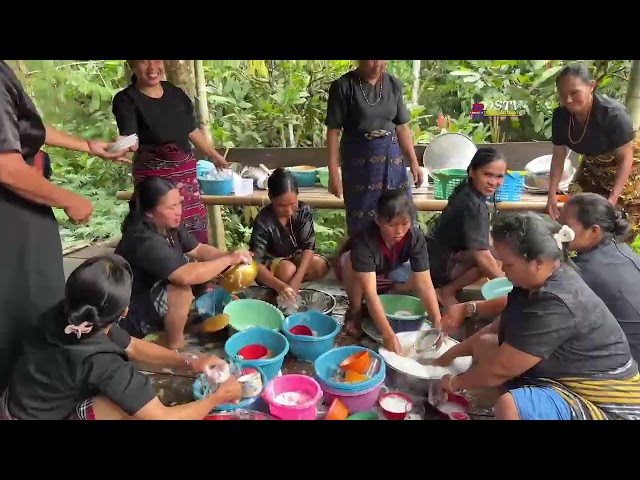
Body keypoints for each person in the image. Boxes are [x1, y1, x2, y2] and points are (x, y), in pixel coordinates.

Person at [435, 212, 640, 420]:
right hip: (563, 375)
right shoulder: (529, 285)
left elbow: (501, 369)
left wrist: (454, 383)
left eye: (508, 263)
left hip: (605, 404)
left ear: (538, 262)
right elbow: (494, 329)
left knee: (510, 406)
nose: (503, 270)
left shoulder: (556, 302)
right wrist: (447, 357)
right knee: (486, 345)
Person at [0, 61, 127, 392]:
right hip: (12, 212)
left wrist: (87, 146)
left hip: (23, 207)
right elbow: (7, 167)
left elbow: (20, 130)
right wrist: (66, 198)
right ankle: (28, 394)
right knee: (28, 305)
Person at [0, 254, 242, 420]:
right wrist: (218, 397)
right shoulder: (105, 362)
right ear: (124, 312)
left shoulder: (69, 314)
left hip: (15, 405)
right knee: (122, 406)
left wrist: (189, 361)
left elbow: (133, 347)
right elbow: (163, 417)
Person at [114, 176, 252, 349]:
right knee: (182, 289)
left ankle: (183, 325)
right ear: (149, 212)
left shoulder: (167, 225)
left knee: (204, 269)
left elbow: (199, 249)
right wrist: (228, 259)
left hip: (151, 295)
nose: (179, 211)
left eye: (179, 204)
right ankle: (175, 344)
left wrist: (231, 258)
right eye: (171, 207)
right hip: (130, 314)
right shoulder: (143, 239)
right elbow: (185, 276)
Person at [112, 60, 231, 245]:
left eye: (157, 60)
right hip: (154, 183)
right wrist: (121, 145)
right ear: (132, 65)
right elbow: (131, 139)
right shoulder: (126, 100)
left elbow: (191, 130)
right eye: (144, 61)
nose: (152, 68)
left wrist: (214, 155)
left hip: (186, 179)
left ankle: (197, 270)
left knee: (194, 234)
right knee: (159, 232)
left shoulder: (176, 94)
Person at [324, 60, 423, 236]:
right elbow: (333, 132)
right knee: (363, 219)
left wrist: (414, 162)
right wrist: (333, 172)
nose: (378, 64)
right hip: (360, 164)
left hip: (392, 161)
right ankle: (364, 261)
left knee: (399, 211)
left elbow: (401, 126)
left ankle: (400, 259)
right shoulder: (343, 86)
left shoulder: (393, 84)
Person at [336, 189, 441, 353]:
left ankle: (391, 290)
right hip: (358, 272)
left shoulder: (414, 236)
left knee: (421, 275)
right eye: (392, 225)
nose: (399, 231)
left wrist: (437, 320)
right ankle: (355, 310)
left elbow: (425, 282)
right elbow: (370, 292)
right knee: (351, 266)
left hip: (388, 269)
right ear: (378, 220)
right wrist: (388, 334)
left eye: (404, 223)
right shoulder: (364, 240)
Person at [546, 62, 639, 240]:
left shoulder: (613, 114)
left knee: (618, 224)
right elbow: (558, 156)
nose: (568, 100)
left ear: (591, 86)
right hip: (593, 165)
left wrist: (613, 198)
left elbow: (626, 158)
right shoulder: (561, 116)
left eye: (574, 93)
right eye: (563, 95)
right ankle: (580, 255)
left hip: (627, 168)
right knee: (577, 209)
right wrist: (552, 193)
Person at [559, 192, 640, 364]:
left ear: (594, 231)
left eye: (565, 225)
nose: (559, 231)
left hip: (625, 365)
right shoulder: (625, 252)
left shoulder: (581, 271)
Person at [425, 147, 505, 306]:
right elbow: (482, 257)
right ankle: (446, 291)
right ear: (472, 172)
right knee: (489, 259)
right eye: (487, 174)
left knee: (502, 250)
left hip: (436, 257)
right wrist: (511, 287)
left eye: (499, 176)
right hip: (439, 267)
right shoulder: (473, 205)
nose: (493, 182)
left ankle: (447, 291)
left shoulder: (468, 191)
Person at [250, 168, 330, 299]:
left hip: (294, 257)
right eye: (281, 205)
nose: (288, 211)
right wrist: (281, 286)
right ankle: (280, 286)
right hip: (272, 264)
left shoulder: (304, 211)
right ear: (270, 197)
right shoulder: (263, 220)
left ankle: (290, 287)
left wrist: (297, 280)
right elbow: (256, 263)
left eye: (293, 203)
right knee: (288, 270)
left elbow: (308, 247)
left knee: (319, 265)